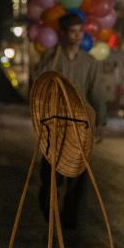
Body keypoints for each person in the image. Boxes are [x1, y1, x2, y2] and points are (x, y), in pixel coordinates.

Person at [34, 13, 107, 229]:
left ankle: (70, 222)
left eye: (80, 31)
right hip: (55, 128)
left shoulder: (90, 62)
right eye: (72, 32)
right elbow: (39, 81)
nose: (77, 36)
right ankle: (51, 217)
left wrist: (100, 123)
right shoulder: (53, 59)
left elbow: (97, 93)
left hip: (80, 128)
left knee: (79, 180)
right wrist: (53, 55)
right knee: (51, 179)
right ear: (63, 34)